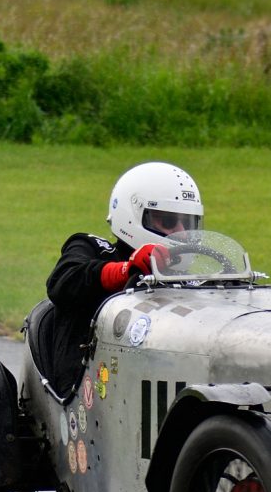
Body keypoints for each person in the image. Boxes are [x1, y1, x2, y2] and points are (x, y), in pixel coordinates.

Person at [35, 161, 204, 399]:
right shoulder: (91, 248)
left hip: (164, 381)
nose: (180, 232)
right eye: (167, 221)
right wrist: (127, 270)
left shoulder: (189, 279)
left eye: (187, 224)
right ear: (133, 216)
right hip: (94, 389)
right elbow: (62, 283)